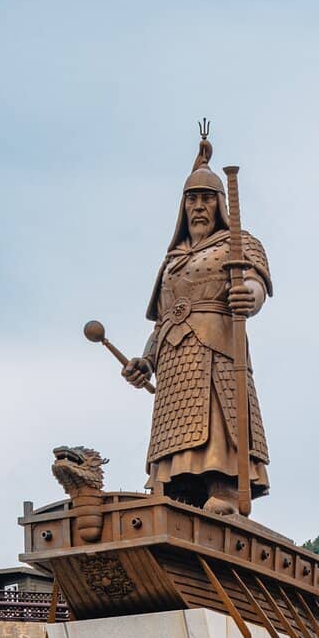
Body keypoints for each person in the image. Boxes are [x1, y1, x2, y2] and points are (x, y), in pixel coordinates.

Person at [122, 132, 272, 515]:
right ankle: (179, 499)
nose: (199, 207)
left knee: (217, 423)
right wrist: (146, 361)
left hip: (217, 352)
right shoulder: (173, 258)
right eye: (192, 199)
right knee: (177, 442)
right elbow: (162, 319)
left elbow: (255, 283)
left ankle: (222, 491)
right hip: (174, 362)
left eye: (207, 198)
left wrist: (249, 298)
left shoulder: (238, 243)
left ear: (220, 203)